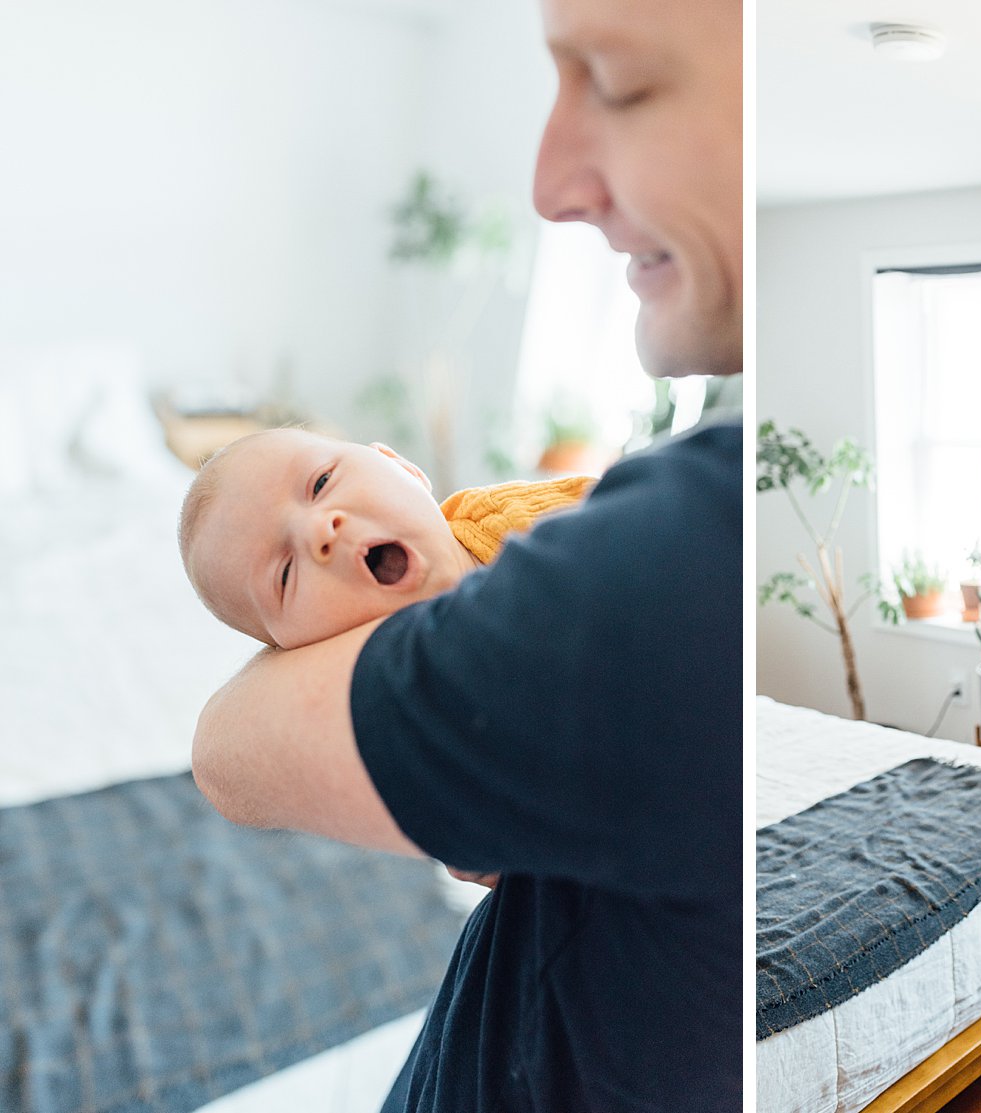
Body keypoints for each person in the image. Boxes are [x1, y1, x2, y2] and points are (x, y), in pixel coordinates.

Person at [189, 0, 742, 1106]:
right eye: (287, 573)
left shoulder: (581, 544)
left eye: (622, 84)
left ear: (397, 460)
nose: (326, 528)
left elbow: (229, 752)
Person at [178, 427, 591, 650]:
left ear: (403, 467)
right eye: (284, 574)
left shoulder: (520, 516)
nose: (319, 530)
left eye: (322, 482)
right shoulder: (388, 703)